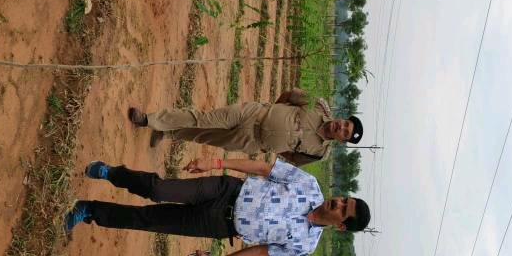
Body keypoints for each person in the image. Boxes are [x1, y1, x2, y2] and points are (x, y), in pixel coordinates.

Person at [64, 155, 371, 256]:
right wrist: (217, 163)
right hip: (225, 190)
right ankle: (111, 172)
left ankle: (89, 210)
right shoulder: (309, 185)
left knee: (148, 221)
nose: (338, 202)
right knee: (159, 190)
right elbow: (264, 168)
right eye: (344, 199)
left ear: (341, 226)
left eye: (343, 209)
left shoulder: (305, 245)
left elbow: (260, 253)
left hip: (217, 225)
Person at [127, 87, 363, 166]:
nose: (341, 127)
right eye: (345, 123)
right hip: (253, 114)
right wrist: (271, 111)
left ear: (342, 140)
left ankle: (167, 132)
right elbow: (290, 94)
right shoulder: (318, 105)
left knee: (204, 136)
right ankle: (149, 119)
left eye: (345, 132)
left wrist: (271, 143)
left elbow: (292, 157)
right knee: (203, 119)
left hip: (252, 142)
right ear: (343, 119)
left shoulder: (319, 153)